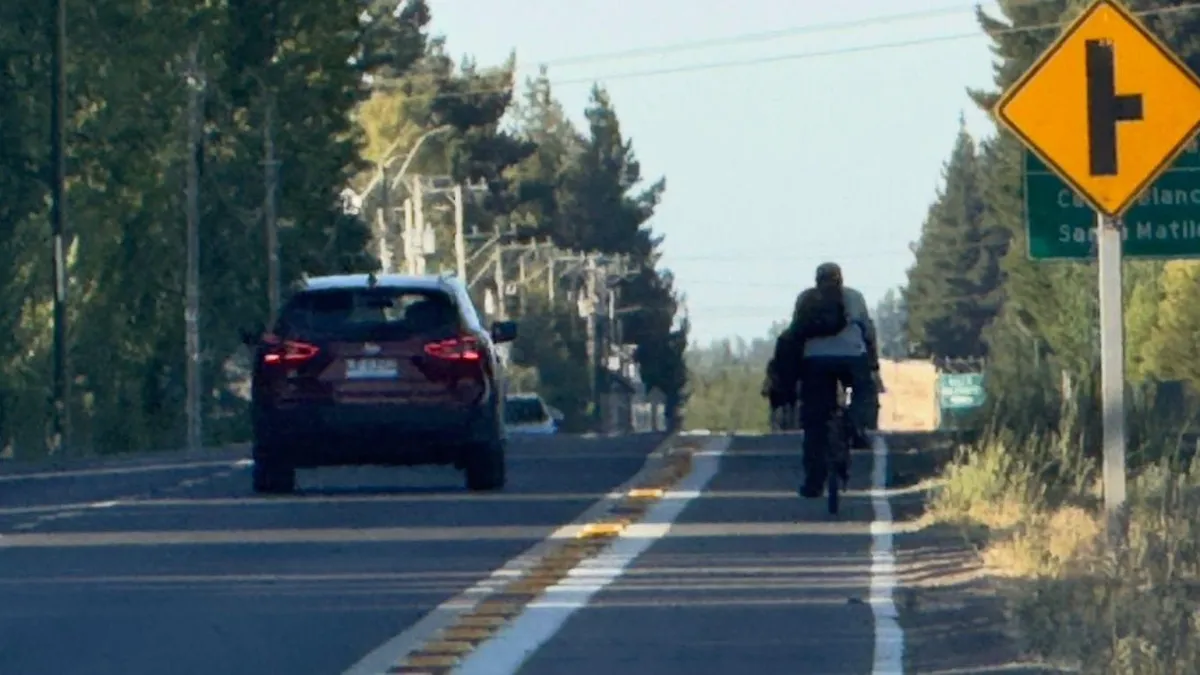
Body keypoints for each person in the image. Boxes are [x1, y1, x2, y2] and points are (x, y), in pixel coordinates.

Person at [788, 262, 881, 499]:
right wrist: (873, 366)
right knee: (864, 392)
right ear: (841, 278)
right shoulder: (854, 297)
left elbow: (797, 332)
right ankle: (853, 425)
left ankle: (813, 483)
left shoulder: (805, 299)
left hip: (814, 360)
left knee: (814, 423)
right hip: (851, 356)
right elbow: (868, 332)